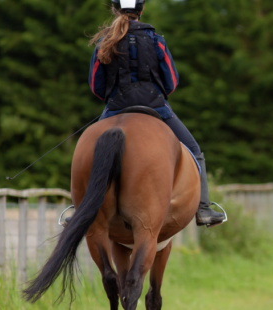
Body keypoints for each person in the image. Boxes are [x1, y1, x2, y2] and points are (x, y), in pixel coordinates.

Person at [88, 0, 225, 227]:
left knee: (90, 153)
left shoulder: (104, 42)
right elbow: (171, 80)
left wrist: (114, 99)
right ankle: (203, 209)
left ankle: (79, 206)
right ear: (141, 11)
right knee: (194, 150)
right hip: (156, 107)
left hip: (115, 109)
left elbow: (96, 85)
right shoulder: (156, 40)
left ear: (116, 10)